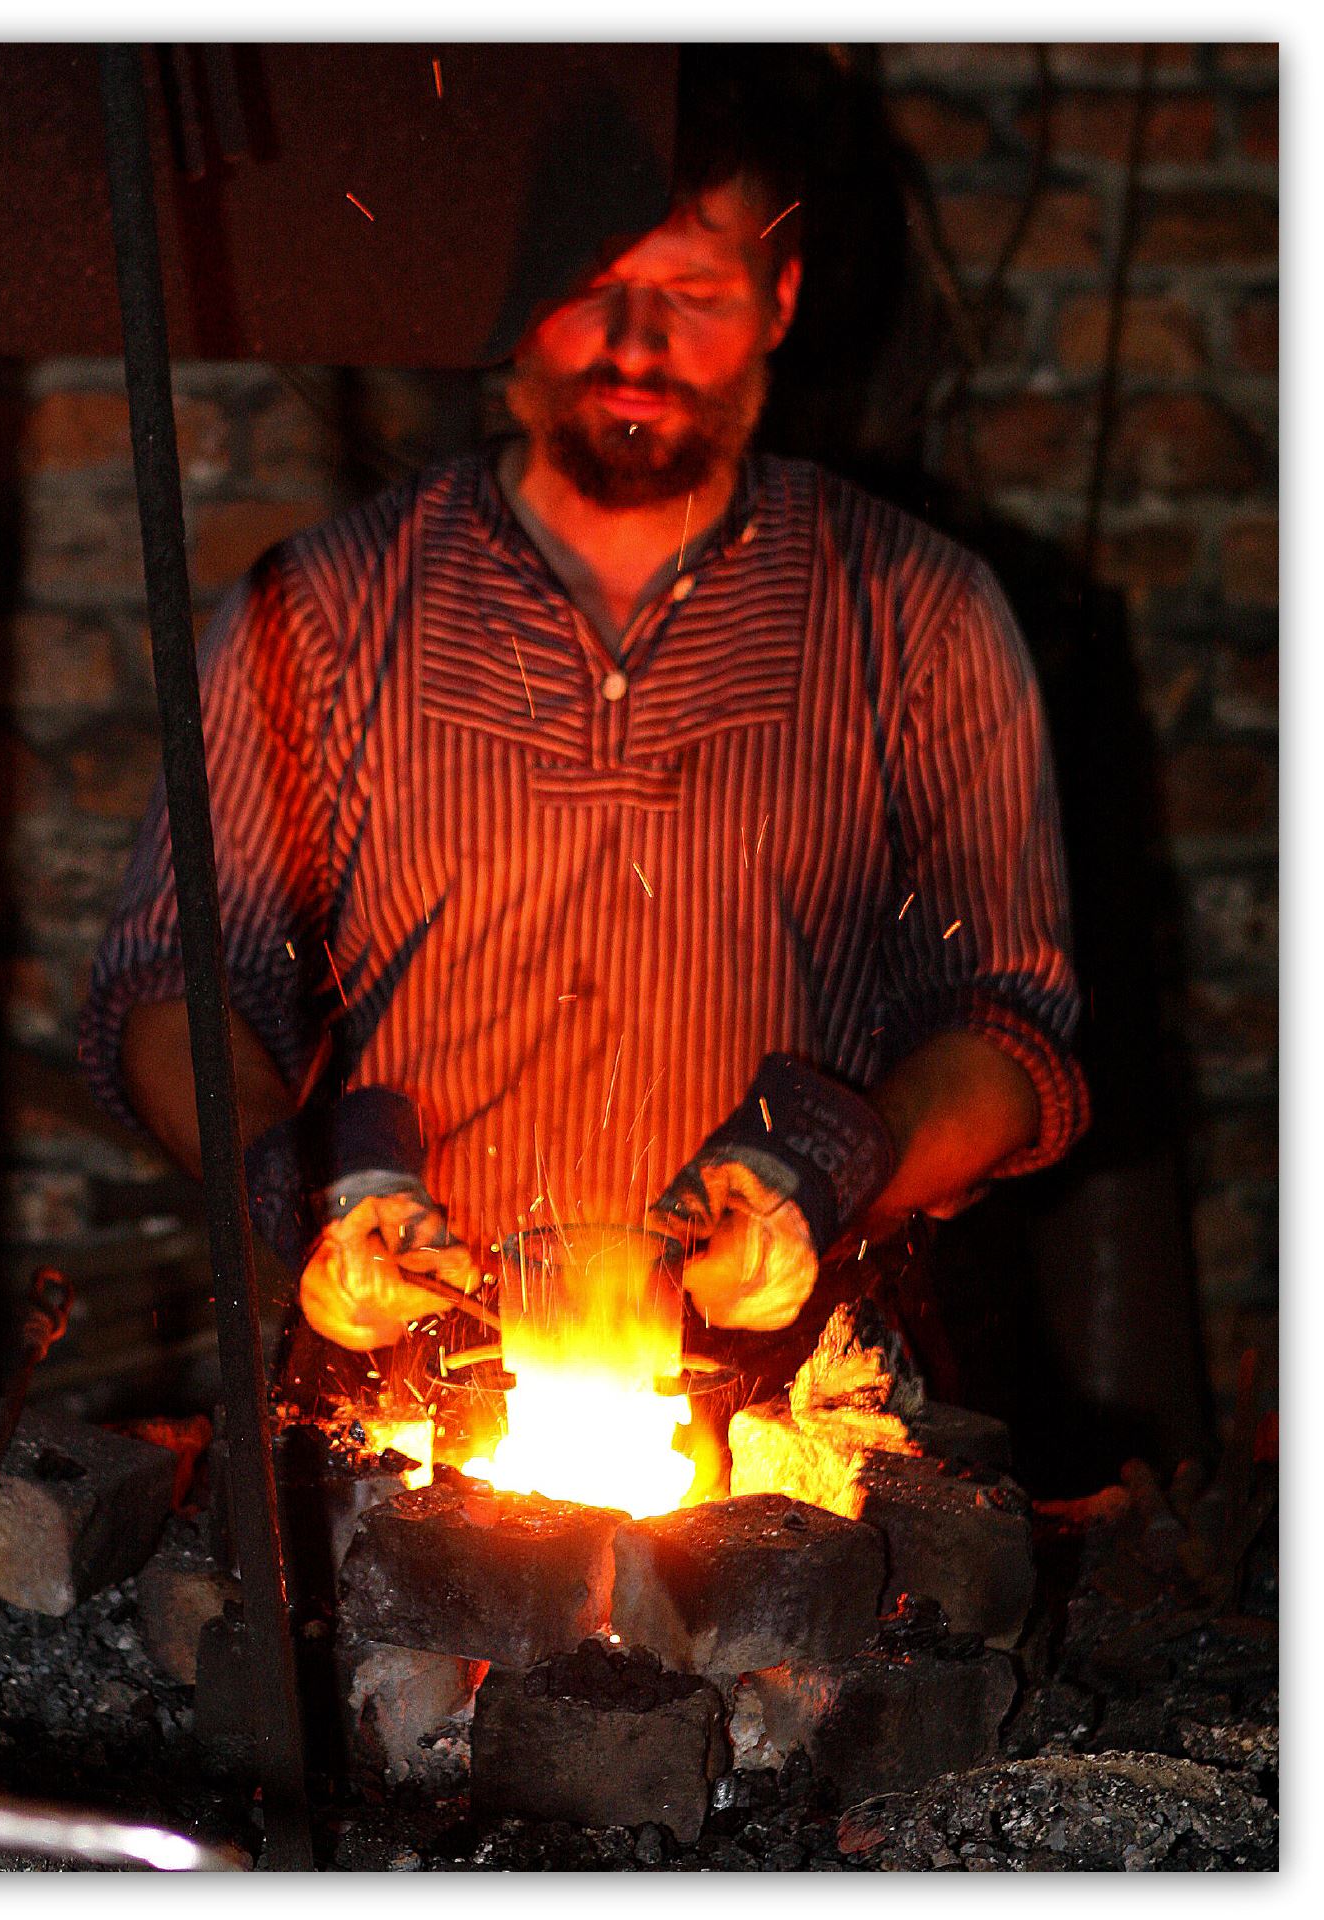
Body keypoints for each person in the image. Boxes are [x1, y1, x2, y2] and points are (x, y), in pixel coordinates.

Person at [79, 79, 1089, 1402]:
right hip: (408, 1401)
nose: (635, 343)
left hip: (787, 1410)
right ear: (513, 299)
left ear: (779, 301)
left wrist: (832, 1165)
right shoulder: (322, 612)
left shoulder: (920, 615)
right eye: (589, 285)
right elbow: (174, 988)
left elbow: (1007, 1034)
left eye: (695, 292)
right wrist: (303, 1186)